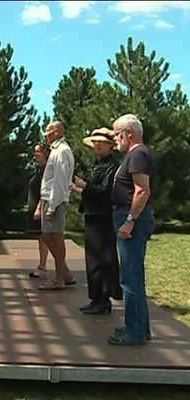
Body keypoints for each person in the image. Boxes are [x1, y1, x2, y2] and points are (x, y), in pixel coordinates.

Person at [108, 114, 155, 346]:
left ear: (129, 133)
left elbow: (142, 191)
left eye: (117, 134)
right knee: (134, 275)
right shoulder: (134, 155)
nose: (114, 138)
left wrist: (129, 220)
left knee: (130, 277)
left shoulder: (137, 154)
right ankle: (139, 326)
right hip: (130, 218)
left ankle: (135, 331)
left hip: (132, 220)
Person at [72, 128, 122, 314]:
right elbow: (94, 190)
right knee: (93, 258)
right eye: (95, 142)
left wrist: (85, 186)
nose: (97, 145)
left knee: (103, 257)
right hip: (93, 215)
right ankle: (96, 298)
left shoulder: (112, 166)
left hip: (103, 217)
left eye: (101, 142)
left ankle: (104, 297)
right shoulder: (98, 164)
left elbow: (105, 191)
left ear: (110, 145)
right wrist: (80, 189)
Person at [38, 121, 76, 290]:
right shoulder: (57, 150)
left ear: (55, 132)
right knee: (48, 235)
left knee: (54, 236)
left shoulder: (61, 152)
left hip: (55, 200)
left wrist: (52, 207)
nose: (45, 136)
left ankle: (60, 277)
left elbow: (59, 181)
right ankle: (64, 273)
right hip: (51, 199)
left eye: (47, 132)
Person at [27, 143, 51, 279]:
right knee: (41, 238)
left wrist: (38, 208)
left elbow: (45, 190)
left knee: (45, 238)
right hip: (35, 206)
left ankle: (43, 266)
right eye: (35, 152)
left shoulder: (47, 169)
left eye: (39, 152)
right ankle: (43, 265)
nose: (36, 154)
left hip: (41, 207)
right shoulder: (39, 169)